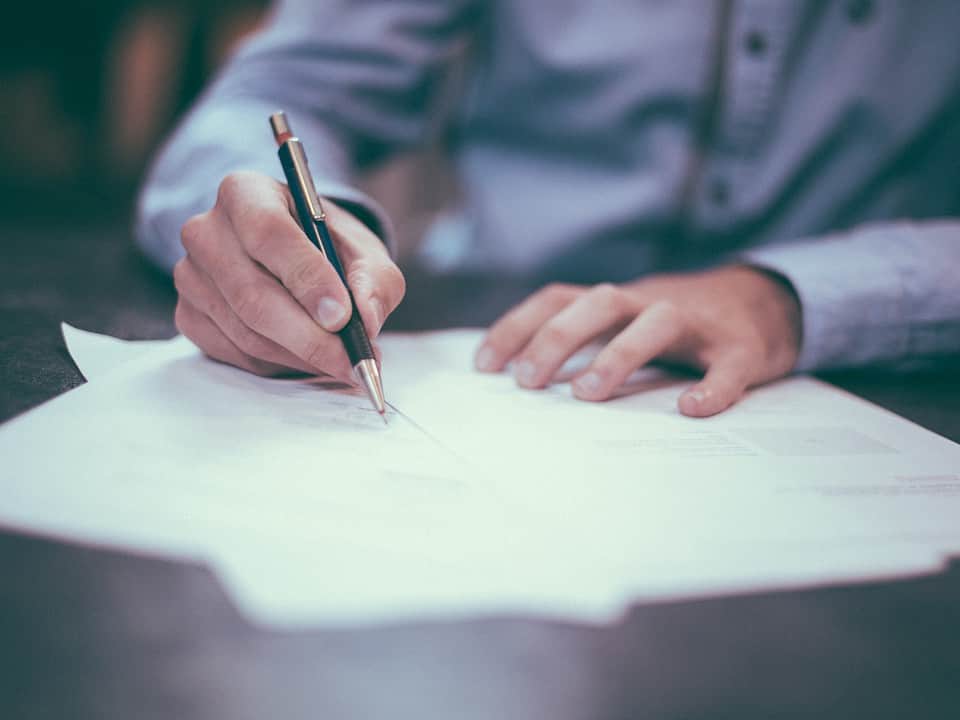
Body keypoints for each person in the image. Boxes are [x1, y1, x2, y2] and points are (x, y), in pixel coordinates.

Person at [137, 0, 960, 418]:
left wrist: (790, 295)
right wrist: (284, 230)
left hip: (875, 376)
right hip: (489, 342)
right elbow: (274, 96)